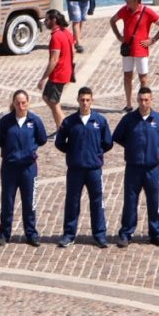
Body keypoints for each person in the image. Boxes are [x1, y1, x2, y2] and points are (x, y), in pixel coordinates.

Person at [112, 86, 159, 248]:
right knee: (130, 201)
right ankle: (126, 233)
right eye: (141, 100)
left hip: (152, 168)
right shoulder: (129, 120)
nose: (144, 103)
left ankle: (156, 233)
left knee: (154, 201)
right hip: (133, 168)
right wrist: (131, 147)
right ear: (137, 100)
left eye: (146, 100)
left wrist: (154, 151)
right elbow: (117, 136)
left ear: (151, 100)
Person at [55, 86, 113, 249]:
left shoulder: (100, 121)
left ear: (92, 101)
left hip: (94, 169)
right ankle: (69, 234)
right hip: (75, 169)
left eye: (88, 100)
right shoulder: (69, 122)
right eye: (82, 100)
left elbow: (107, 143)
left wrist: (96, 153)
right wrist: (73, 153)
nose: (85, 103)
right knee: (72, 202)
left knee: (97, 202)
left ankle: (99, 235)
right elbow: (60, 143)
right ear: (78, 101)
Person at [0, 90, 47, 246]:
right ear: (13, 104)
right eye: (18, 103)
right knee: (7, 202)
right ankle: (4, 233)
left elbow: (42, 139)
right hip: (10, 167)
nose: (21, 106)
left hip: (29, 168)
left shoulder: (35, 121)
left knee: (29, 202)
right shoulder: (6, 121)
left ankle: (31, 233)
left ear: (28, 103)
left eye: (23, 103)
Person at [110, 0, 159, 112]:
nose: (126, 1)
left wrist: (152, 40)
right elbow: (112, 21)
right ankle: (128, 104)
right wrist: (118, 36)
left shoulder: (147, 12)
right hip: (127, 49)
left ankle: (144, 102)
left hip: (141, 50)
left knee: (143, 78)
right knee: (127, 76)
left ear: (136, 0)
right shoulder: (124, 10)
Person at [37, 9, 74, 128]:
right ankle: (60, 126)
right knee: (46, 97)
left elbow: (54, 60)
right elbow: (73, 49)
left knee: (54, 103)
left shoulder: (56, 37)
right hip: (65, 71)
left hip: (58, 74)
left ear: (54, 20)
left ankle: (64, 127)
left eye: (47, 20)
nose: (45, 22)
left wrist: (43, 78)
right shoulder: (66, 32)